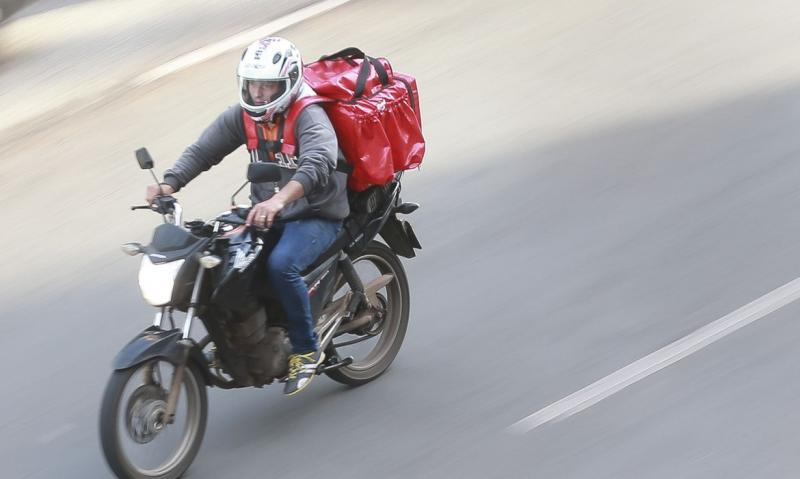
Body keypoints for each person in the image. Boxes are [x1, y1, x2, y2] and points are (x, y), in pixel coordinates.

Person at [145, 37, 349, 396]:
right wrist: (170, 183)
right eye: (253, 84)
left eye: (267, 85)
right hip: (264, 211)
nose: (258, 93)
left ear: (287, 83)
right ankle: (240, 338)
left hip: (316, 213)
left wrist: (280, 200)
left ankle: (305, 349)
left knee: (280, 265)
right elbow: (205, 149)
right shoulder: (244, 116)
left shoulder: (308, 115)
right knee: (221, 259)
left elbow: (318, 163)